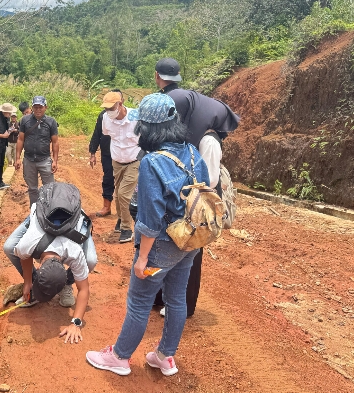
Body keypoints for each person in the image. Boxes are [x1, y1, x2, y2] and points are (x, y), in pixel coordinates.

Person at [86, 92, 210, 377]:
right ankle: (165, 357)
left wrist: (143, 257)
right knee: (176, 299)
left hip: (162, 246)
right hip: (189, 240)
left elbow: (151, 218)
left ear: (145, 127)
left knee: (140, 301)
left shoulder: (152, 162)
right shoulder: (192, 151)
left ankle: (119, 357)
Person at [154, 57, 240, 317]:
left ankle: (184, 306)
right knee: (172, 246)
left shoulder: (209, 140)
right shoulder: (192, 136)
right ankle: (162, 298)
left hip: (198, 205)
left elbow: (210, 179)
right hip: (186, 199)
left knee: (191, 253)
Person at [3, 182, 97, 341]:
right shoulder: (28, 244)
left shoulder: (74, 252)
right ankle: (35, 284)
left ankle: (66, 284)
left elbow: (83, 290)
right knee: (9, 246)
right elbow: (24, 255)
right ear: (38, 267)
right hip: (42, 214)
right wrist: (27, 282)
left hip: (75, 221)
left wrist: (76, 323)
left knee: (91, 260)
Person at [100, 91, 140, 244]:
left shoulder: (136, 117)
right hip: (117, 161)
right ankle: (120, 218)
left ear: (120, 104)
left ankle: (126, 228)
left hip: (134, 160)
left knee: (124, 194)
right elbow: (107, 135)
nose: (109, 111)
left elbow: (145, 137)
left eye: (112, 108)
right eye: (106, 109)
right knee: (117, 193)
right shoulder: (106, 118)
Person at [15, 96, 59, 205]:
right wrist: (17, 158)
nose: (38, 110)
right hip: (29, 160)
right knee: (32, 188)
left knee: (49, 188)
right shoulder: (25, 121)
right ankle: (34, 211)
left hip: (44, 160)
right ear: (32, 107)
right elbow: (20, 140)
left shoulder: (51, 122)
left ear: (45, 107)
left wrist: (55, 161)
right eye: (35, 107)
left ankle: (48, 210)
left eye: (41, 107)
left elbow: (55, 142)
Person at [88, 89, 123, 219]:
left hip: (124, 154)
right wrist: (92, 153)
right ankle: (106, 207)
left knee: (125, 183)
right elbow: (97, 134)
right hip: (108, 153)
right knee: (108, 178)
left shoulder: (129, 116)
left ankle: (124, 212)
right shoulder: (103, 115)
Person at [0, 103, 16, 189]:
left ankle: (0, 181)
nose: (10, 114)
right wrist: (3, 136)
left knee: (1, 162)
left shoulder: (6, 119)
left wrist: (10, 131)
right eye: (8, 113)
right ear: (3, 111)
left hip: (2, 144)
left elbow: (5, 131)